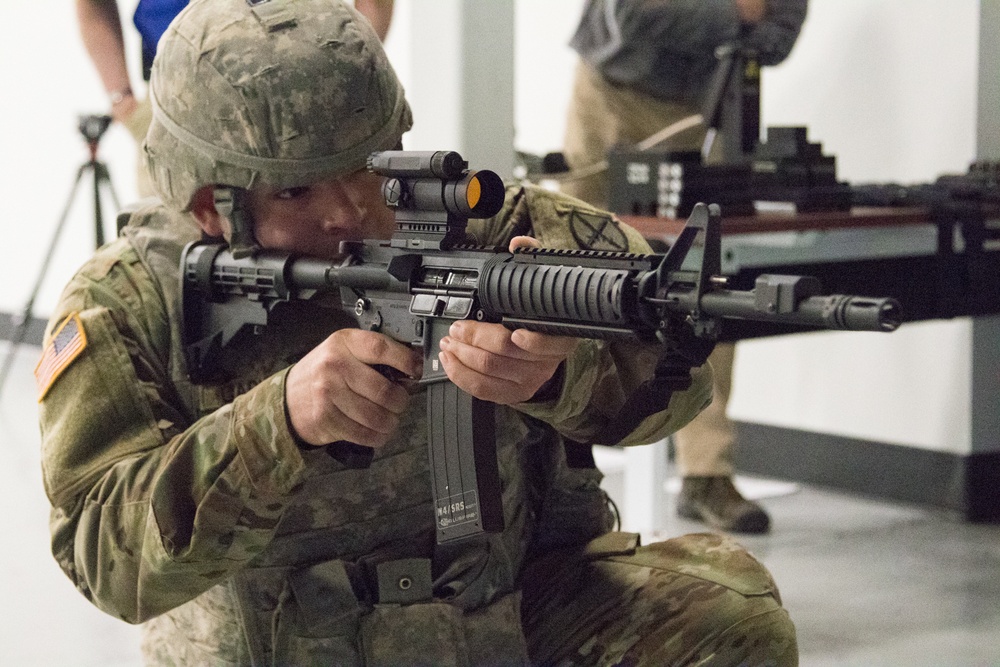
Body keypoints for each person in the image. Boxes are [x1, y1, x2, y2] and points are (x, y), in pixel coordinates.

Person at [39, 1, 798, 664]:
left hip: (499, 617)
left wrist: (561, 376)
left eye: (366, 167)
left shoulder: (501, 229)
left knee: (728, 619)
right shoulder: (131, 299)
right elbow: (104, 559)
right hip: (272, 645)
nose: (348, 211)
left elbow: (679, 373)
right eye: (298, 187)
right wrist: (278, 424)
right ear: (210, 204)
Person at [561, 0, 808, 534]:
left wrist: (742, 23)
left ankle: (706, 474)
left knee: (706, 282)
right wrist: (736, 14)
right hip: (611, 91)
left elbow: (779, 35)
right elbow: (632, 16)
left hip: (702, 110)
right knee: (576, 263)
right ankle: (561, 458)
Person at [75, 0, 395, 198]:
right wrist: (124, 103)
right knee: (179, 264)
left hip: (302, 101)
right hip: (178, 108)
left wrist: (346, 73)